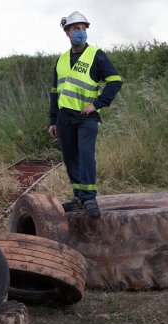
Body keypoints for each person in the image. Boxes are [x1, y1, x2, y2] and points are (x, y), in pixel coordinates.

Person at [47, 11, 122, 218]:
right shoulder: (61, 60)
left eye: (83, 29)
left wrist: (97, 104)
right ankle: (78, 196)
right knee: (71, 157)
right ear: (67, 33)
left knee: (86, 154)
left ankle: (89, 197)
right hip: (64, 118)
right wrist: (53, 120)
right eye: (76, 29)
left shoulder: (96, 54)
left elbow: (115, 80)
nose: (81, 32)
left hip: (86, 117)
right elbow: (55, 92)